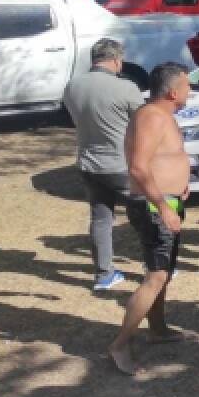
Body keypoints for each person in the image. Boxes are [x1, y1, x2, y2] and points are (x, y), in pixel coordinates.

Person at [106, 63, 192, 375]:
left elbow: (164, 159)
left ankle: (157, 328)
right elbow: (139, 168)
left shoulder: (163, 116)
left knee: (164, 271)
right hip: (153, 205)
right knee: (156, 275)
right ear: (172, 91)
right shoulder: (151, 117)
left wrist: (180, 186)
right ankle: (120, 345)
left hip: (166, 201)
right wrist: (164, 206)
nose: (190, 92)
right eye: (187, 86)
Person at [62, 38, 144, 291]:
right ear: (117, 60)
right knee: (144, 216)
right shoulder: (126, 88)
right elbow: (144, 123)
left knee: (100, 218)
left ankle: (103, 273)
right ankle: (157, 266)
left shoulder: (72, 86)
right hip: (121, 164)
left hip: (89, 163)